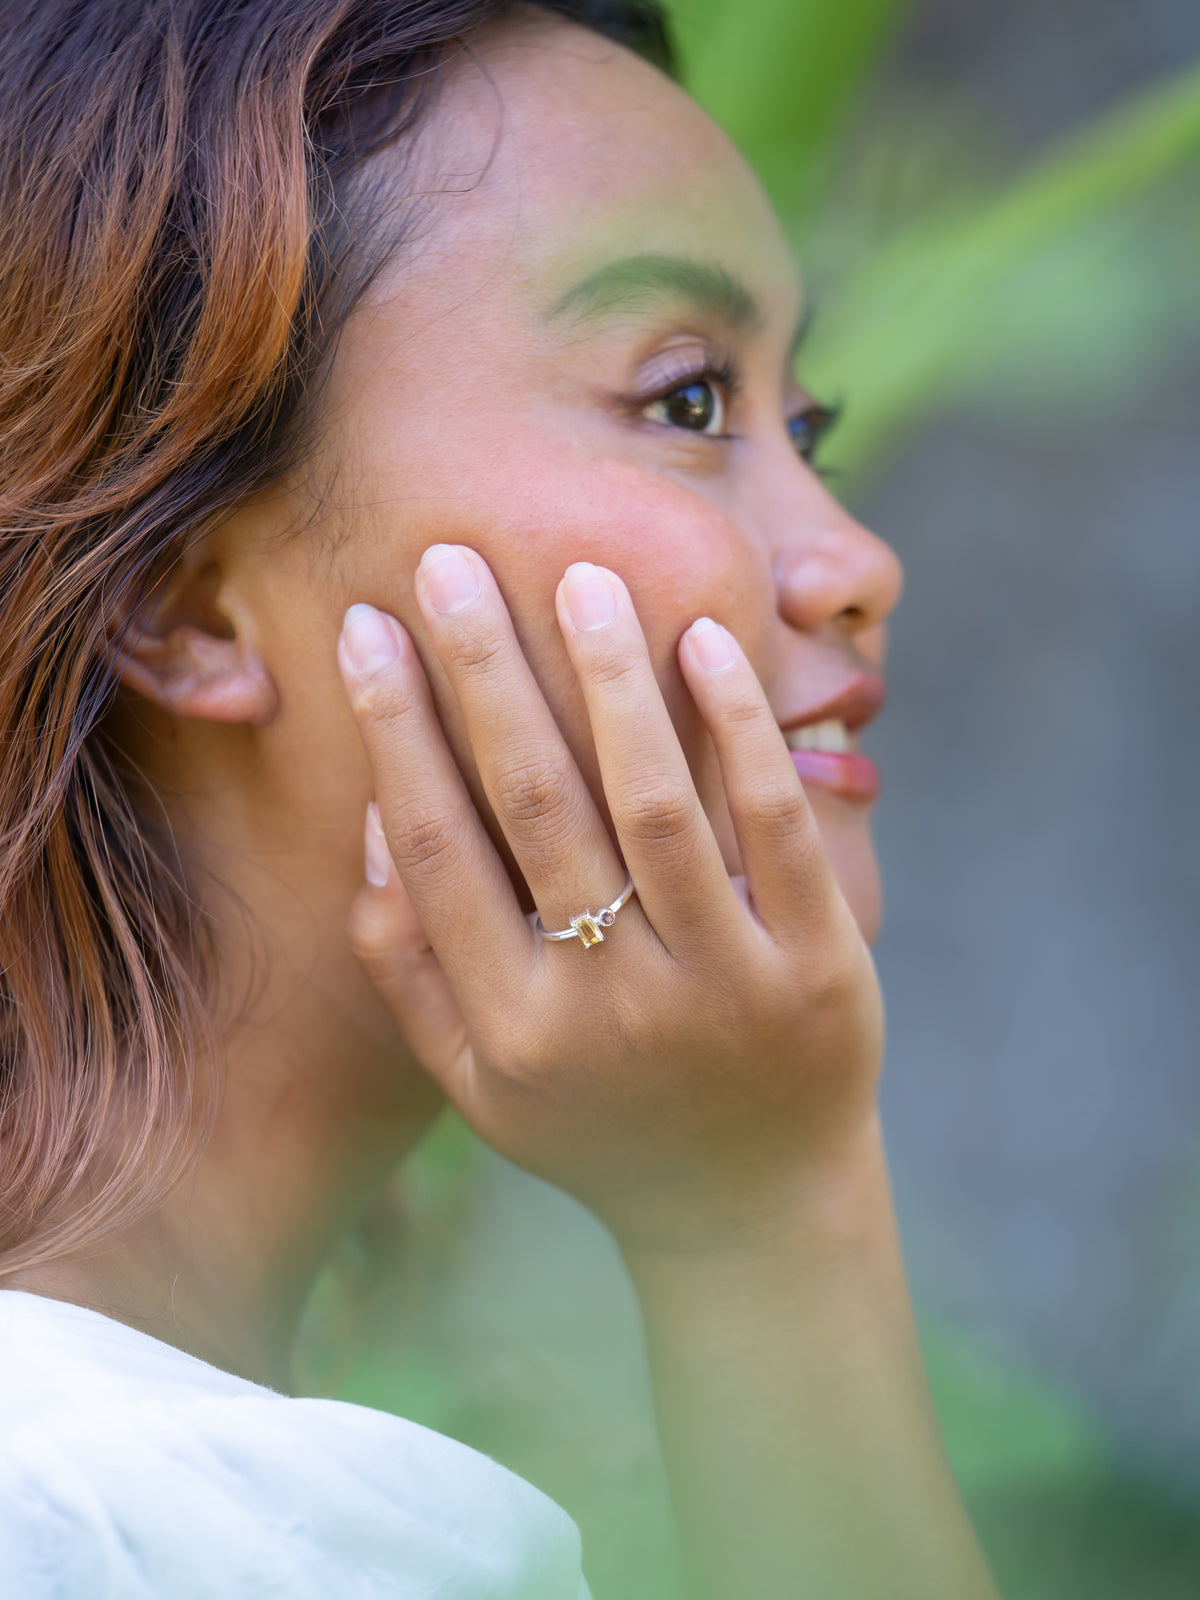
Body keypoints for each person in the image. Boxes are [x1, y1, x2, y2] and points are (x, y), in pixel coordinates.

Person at [0, 1, 1000, 1595]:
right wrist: (770, 1226)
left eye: (800, 425)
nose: (854, 562)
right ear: (184, 604)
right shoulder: (116, 1520)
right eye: (688, 403)